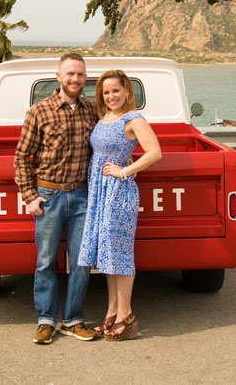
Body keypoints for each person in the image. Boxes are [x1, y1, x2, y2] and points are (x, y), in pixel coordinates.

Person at [13, 53, 99, 344]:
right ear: (59, 76)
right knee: (45, 261)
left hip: (82, 194)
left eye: (80, 75)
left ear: (85, 78)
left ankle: (73, 319)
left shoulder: (92, 111)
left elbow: (109, 142)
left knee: (81, 261)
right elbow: (22, 156)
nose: (75, 79)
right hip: (49, 196)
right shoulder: (40, 111)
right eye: (70, 74)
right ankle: (46, 320)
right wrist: (30, 196)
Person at [78, 69, 162, 341]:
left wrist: (125, 170)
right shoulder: (104, 118)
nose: (111, 96)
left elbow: (154, 151)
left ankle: (127, 316)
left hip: (118, 193)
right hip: (99, 192)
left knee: (120, 254)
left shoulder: (133, 118)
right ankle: (112, 310)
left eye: (116, 90)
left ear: (127, 91)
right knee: (107, 254)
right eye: (106, 92)